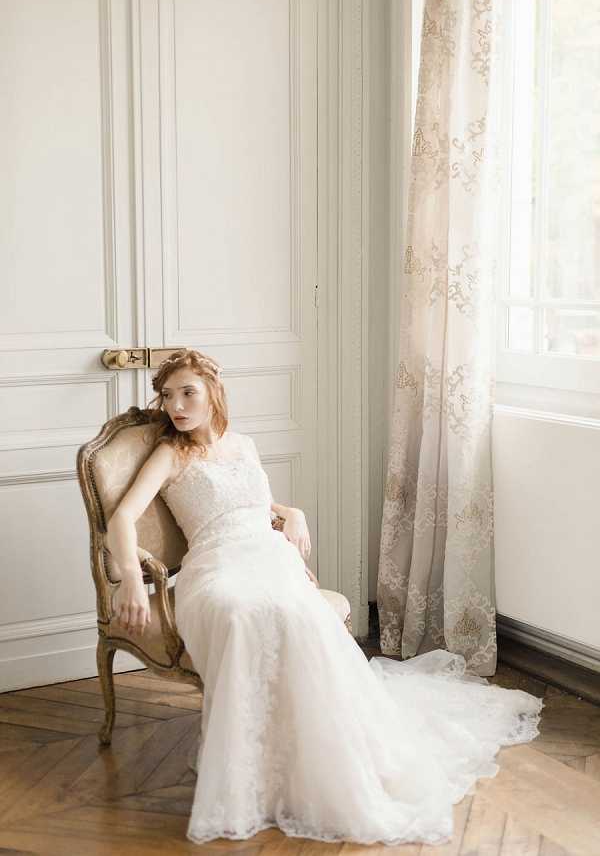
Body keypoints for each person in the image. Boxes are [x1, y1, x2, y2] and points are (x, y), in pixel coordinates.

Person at [105, 348, 544, 848]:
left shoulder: (243, 445)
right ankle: (249, 767)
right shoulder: (170, 453)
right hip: (217, 565)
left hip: (270, 556)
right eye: (168, 396)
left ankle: (312, 754)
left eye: (188, 393)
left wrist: (293, 513)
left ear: (214, 394)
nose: (177, 406)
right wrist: (129, 578)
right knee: (239, 612)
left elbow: (252, 504)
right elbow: (122, 518)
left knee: (295, 611)